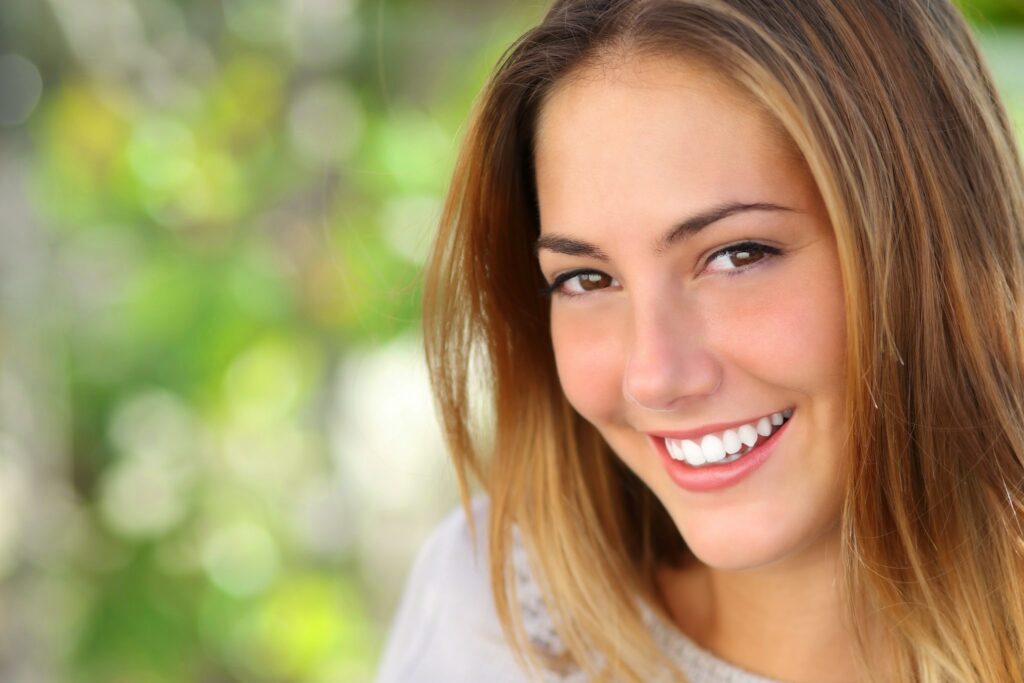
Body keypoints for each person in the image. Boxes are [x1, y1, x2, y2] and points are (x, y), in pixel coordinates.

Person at [376, 1, 1024, 681]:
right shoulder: (492, 623)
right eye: (586, 278)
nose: (654, 376)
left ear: (927, 250)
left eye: (738, 255)